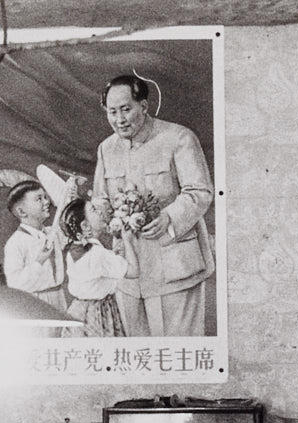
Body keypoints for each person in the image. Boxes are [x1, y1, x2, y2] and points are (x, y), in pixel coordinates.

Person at [92, 74, 214, 337]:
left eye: (126, 109)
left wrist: (169, 217)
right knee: (139, 351)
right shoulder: (106, 148)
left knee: (179, 350)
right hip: (128, 272)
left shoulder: (179, 138)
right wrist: (99, 218)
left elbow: (200, 191)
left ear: (144, 106)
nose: (120, 119)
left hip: (175, 270)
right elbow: (101, 199)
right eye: (112, 112)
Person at [58, 198, 132, 337]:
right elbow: (133, 271)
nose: (100, 212)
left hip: (78, 311)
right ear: (85, 226)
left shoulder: (75, 249)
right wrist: (127, 240)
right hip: (99, 313)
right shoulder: (98, 253)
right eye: (94, 210)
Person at [2, 179, 69, 315]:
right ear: (22, 211)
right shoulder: (16, 242)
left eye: (45, 197)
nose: (46, 202)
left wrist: (69, 199)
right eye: (39, 199)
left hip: (59, 299)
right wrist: (39, 261)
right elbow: (14, 284)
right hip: (35, 303)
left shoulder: (52, 232)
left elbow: (70, 232)